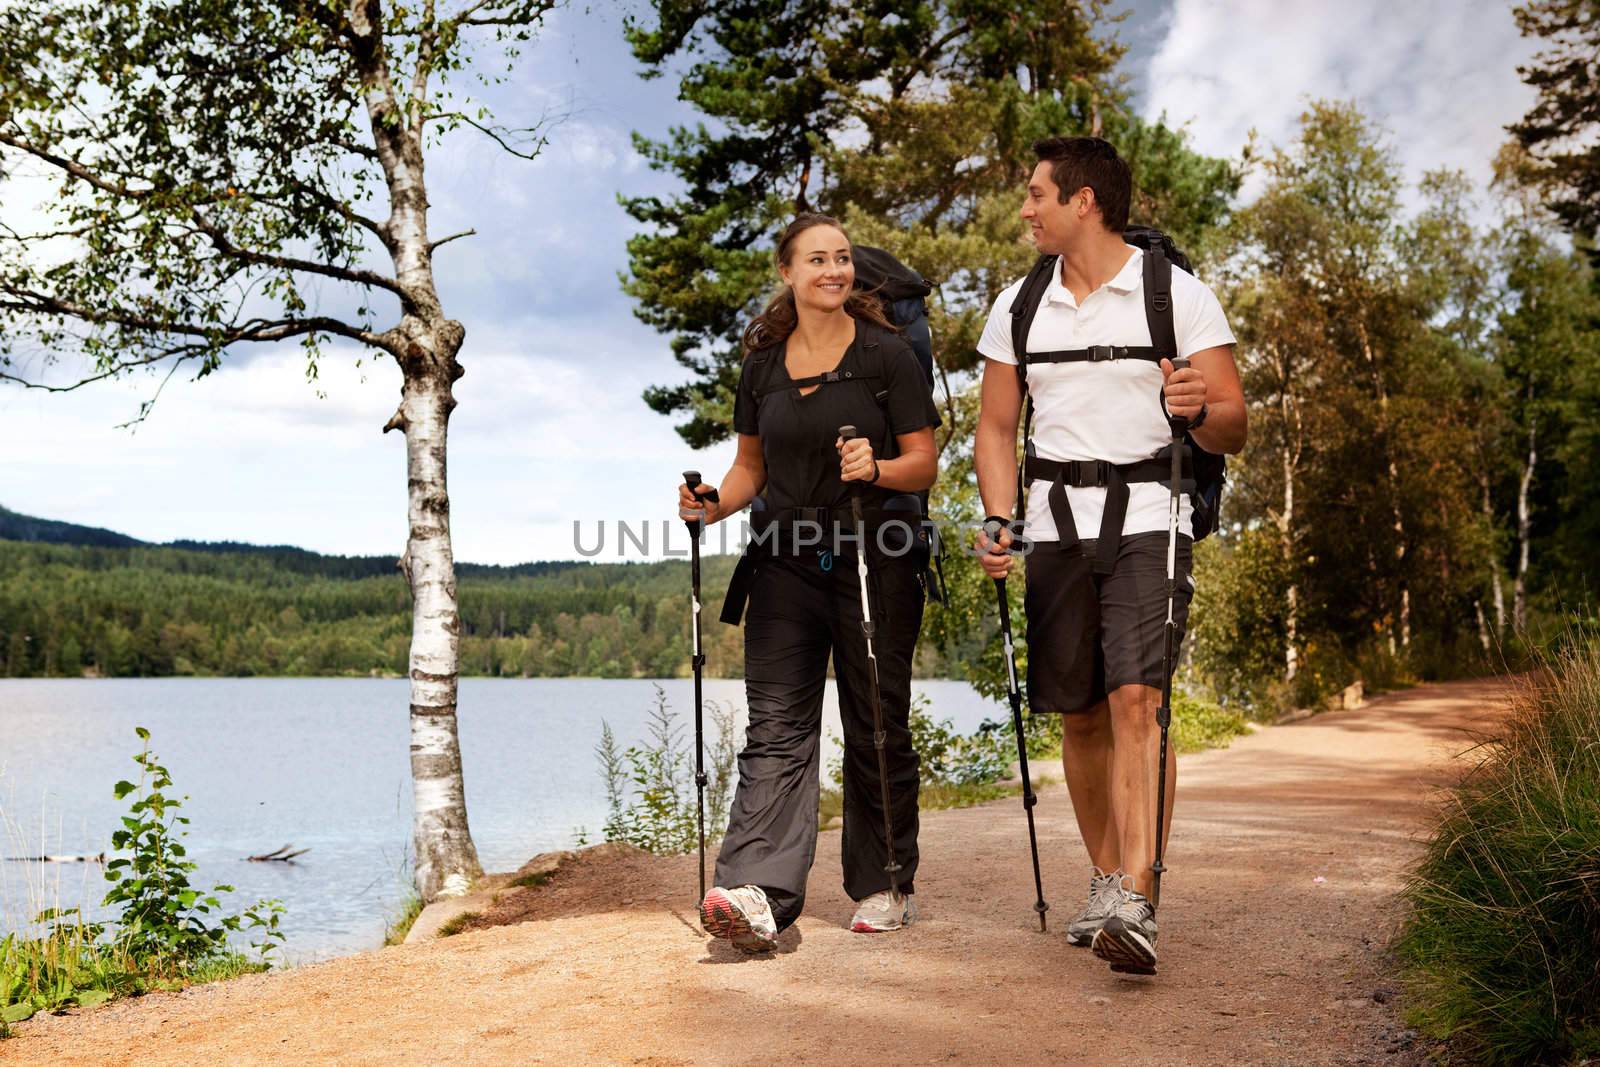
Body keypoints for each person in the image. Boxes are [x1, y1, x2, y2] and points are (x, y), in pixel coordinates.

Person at [973, 137, 1246, 974]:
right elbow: (994, 427)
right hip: (1054, 524)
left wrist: (1198, 408)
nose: (1026, 209)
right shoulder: (1018, 307)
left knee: (1137, 699)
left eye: (1036, 194)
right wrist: (997, 518)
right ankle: (1102, 877)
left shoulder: (1179, 296)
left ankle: (1137, 892)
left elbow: (1233, 422)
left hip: (1152, 518)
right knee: (1082, 710)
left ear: (1083, 200)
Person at [678, 213, 940, 953]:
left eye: (844, 258)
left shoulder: (888, 356)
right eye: (817, 258)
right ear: (787, 272)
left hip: (876, 555)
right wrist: (714, 503)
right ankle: (758, 891)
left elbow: (924, 462)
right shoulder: (762, 362)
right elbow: (749, 469)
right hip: (783, 559)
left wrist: (878, 470)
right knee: (777, 727)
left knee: (876, 720)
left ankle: (886, 880)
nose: (834, 269)